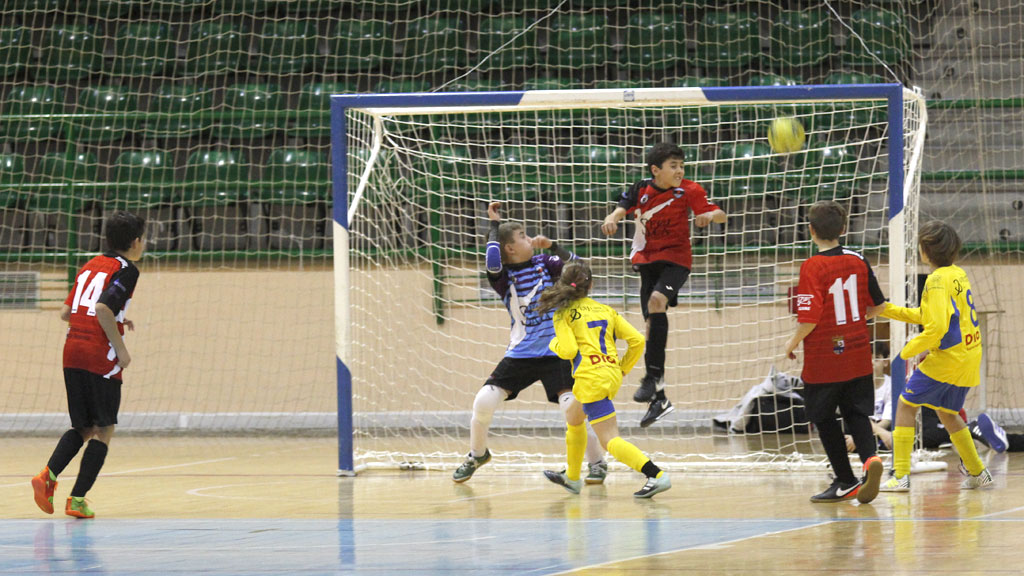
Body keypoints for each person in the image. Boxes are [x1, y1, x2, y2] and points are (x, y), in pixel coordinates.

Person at [453, 202, 607, 484]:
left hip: (556, 350)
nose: (529, 238)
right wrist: (494, 227)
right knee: (484, 400)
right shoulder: (503, 277)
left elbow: (581, 270)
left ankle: (596, 463)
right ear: (509, 248)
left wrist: (553, 246)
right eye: (523, 236)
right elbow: (492, 260)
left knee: (571, 406)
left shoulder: (545, 265)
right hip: (521, 352)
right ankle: (478, 454)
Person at [601, 142, 727, 427]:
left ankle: (651, 378)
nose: (680, 170)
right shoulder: (641, 189)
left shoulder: (690, 191)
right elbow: (622, 207)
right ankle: (660, 398)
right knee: (650, 326)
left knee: (657, 302)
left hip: (676, 260)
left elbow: (721, 214)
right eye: (673, 166)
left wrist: (709, 215)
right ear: (655, 170)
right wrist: (612, 218)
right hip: (647, 260)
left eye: (682, 165)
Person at [31, 211, 147, 519]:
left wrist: (120, 317)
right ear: (135, 242)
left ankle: (47, 476)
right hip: (100, 356)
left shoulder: (90, 264)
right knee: (104, 429)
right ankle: (77, 499)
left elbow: (67, 312)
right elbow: (102, 308)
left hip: (72, 352)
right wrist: (121, 349)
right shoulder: (127, 269)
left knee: (82, 426)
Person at [537, 260, 671, 498]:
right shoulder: (606, 310)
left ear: (563, 284)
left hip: (590, 377)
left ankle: (656, 475)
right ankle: (573, 477)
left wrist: (552, 343)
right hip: (608, 373)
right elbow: (638, 341)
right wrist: (621, 369)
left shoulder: (562, 313)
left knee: (609, 440)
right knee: (573, 417)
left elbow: (567, 351)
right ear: (591, 286)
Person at [878, 220, 994, 492]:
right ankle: (978, 471)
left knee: (905, 406)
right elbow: (932, 317)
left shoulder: (936, 281)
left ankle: (901, 475)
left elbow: (937, 328)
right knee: (948, 412)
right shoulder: (957, 274)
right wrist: (888, 310)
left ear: (925, 250)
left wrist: (908, 350)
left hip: (949, 357)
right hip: (969, 354)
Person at [784, 200, 886, 504]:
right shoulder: (858, 259)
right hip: (857, 353)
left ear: (811, 231)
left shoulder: (812, 266)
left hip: (824, 359)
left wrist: (791, 343)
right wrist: (854, 318)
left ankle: (845, 480)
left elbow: (809, 319)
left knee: (823, 417)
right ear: (843, 229)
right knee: (857, 412)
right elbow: (878, 305)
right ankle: (870, 459)